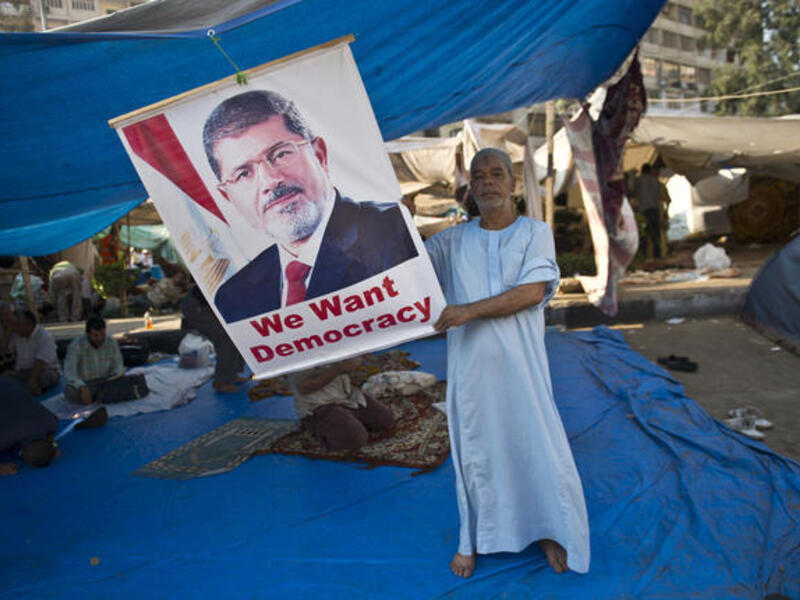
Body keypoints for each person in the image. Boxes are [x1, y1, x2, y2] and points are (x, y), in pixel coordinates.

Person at [425, 148, 590, 579]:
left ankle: (550, 530)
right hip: (472, 375)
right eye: (478, 176)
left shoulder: (535, 232)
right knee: (476, 455)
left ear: (513, 183)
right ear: (469, 188)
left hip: (524, 371)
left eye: (497, 174)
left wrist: (466, 311)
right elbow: (410, 271)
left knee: (536, 449)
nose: (487, 182)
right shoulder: (450, 241)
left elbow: (532, 292)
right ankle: (472, 539)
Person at [202, 89, 418, 322]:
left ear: (319, 155)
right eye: (244, 173)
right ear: (228, 197)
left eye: (281, 154)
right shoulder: (234, 298)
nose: (270, 181)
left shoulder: (392, 229)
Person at [289, 356, 395, 450]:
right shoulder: (301, 352)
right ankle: (320, 429)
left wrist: (363, 360)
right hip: (318, 405)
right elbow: (303, 388)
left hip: (347, 395)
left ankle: (348, 421)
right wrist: (338, 368)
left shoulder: (336, 340)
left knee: (385, 419)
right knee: (354, 439)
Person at [181, 285, 246, 394]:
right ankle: (221, 381)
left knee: (235, 333)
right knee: (226, 338)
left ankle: (231, 375)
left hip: (211, 302)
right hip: (199, 305)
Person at [0, 376, 59, 475]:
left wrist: (52, 445)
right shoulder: (5, 438)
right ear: (23, 454)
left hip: (7, 382)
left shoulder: (50, 423)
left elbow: (52, 430)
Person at [63, 316, 125, 404]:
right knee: (71, 391)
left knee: (125, 383)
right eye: (95, 336)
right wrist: (82, 386)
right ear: (88, 334)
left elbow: (118, 365)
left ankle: (102, 395)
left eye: (102, 335)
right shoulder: (76, 346)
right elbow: (70, 372)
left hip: (106, 381)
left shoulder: (111, 342)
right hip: (85, 383)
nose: (100, 339)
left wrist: (114, 379)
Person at [7, 309, 60, 397]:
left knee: (45, 378)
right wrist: (8, 332)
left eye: (17, 325)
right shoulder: (17, 336)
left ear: (28, 325)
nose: (14, 328)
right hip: (24, 371)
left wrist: (32, 380)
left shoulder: (44, 335)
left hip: (45, 370)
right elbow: (5, 349)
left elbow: (41, 361)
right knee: (6, 380)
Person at [633, 163, 665, 259]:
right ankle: (658, 256)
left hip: (643, 211)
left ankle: (644, 257)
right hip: (654, 209)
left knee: (643, 235)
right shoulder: (655, 180)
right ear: (650, 171)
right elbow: (659, 195)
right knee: (655, 234)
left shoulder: (637, 181)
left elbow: (633, 192)